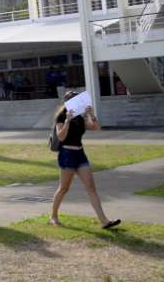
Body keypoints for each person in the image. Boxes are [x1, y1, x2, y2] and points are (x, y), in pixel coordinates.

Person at [50, 92, 121, 230]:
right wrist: (67, 121)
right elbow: (61, 136)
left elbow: (96, 128)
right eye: (76, 100)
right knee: (64, 188)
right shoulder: (62, 116)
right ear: (68, 103)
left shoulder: (80, 117)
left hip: (80, 154)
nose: (79, 103)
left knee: (91, 188)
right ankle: (53, 216)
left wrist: (91, 115)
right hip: (67, 155)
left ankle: (104, 221)